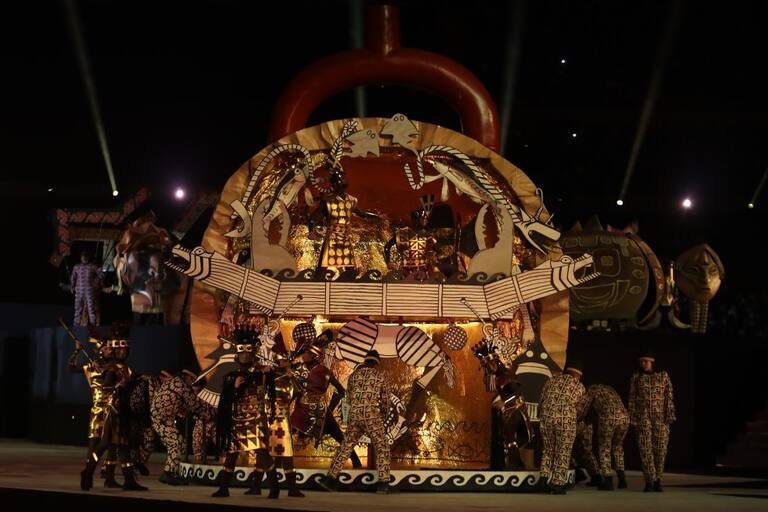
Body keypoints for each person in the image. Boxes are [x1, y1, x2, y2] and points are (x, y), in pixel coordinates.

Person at [71, 323, 147, 491]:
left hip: (120, 411)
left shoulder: (124, 367)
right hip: (113, 411)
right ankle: (89, 471)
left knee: (122, 445)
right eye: (120, 350)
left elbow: (134, 377)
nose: (123, 353)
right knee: (105, 443)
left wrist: (143, 378)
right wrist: (118, 386)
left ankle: (128, 480)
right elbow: (106, 386)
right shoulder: (111, 367)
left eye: (125, 350)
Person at [211, 326, 280, 498]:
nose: (245, 356)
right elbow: (226, 401)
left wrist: (271, 372)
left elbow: (273, 381)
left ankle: (275, 487)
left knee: (262, 453)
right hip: (237, 420)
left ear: (253, 353)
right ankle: (224, 488)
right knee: (232, 453)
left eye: (248, 352)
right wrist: (235, 388)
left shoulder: (261, 373)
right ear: (237, 355)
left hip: (256, 420)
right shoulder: (231, 376)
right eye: (241, 352)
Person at [317, 350, 395, 494]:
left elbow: (348, 399)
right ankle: (383, 483)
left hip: (354, 415)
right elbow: (385, 400)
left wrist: (349, 418)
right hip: (371, 416)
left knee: (346, 446)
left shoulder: (354, 376)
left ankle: (330, 479)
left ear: (365, 361)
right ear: (376, 363)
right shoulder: (379, 376)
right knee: (382, 446)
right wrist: (382, 416)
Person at [151, 369, 213, 485]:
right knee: (176, 443)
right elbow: (194, 404)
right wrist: (208, 413)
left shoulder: (174, 382)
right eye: (192, 380)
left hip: (162, 417)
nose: (193, 383)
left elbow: (177, 403)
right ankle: (168, 473)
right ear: (187, 377)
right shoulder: (181, 386)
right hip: (162, 419)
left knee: (178, 443)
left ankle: (170, 472)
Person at [629, 350, 675, 492]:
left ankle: (658, 480)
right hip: (643, 418)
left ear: (652, 362)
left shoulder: (663, 376)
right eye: (641, 361)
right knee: (645, 450)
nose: (643, 364)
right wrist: (632, 418)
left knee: (660, 450)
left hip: (661, 419)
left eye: (646, 361)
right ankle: (650, 481)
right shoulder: (636, 378)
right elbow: (631, 398)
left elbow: (669, 396)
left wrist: (670, 414)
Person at [539, 361, 586, 495]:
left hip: (546, 417)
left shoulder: (551, 381)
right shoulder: (579, 386)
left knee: (548, 448)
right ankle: (558, 484)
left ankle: (543, 479)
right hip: (565, 420)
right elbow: (581, 410)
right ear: (578, 375)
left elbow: (541, 401)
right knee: (563, 451)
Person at [577, 384, 630, 490]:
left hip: (608, 418)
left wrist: (577, 418)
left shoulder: (592, 390)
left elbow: (583, 409)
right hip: (624, 418)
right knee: (618, 447)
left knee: (604, 448)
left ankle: (608, 481)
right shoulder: (611, 389)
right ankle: (622, 479)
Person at [71, 251, 102, 326]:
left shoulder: (93, 266)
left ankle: (93, 325)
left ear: (88, 257)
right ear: (81, 257)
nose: (84, 258)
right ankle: (76, 325)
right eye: (83, 256)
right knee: (78, 308)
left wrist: (96, 281)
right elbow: (73, 277)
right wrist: (72, 286)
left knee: (91, 308)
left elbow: (101, 274)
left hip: (89, 290)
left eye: (86, 256)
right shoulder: (76, 267)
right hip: (79, 291)